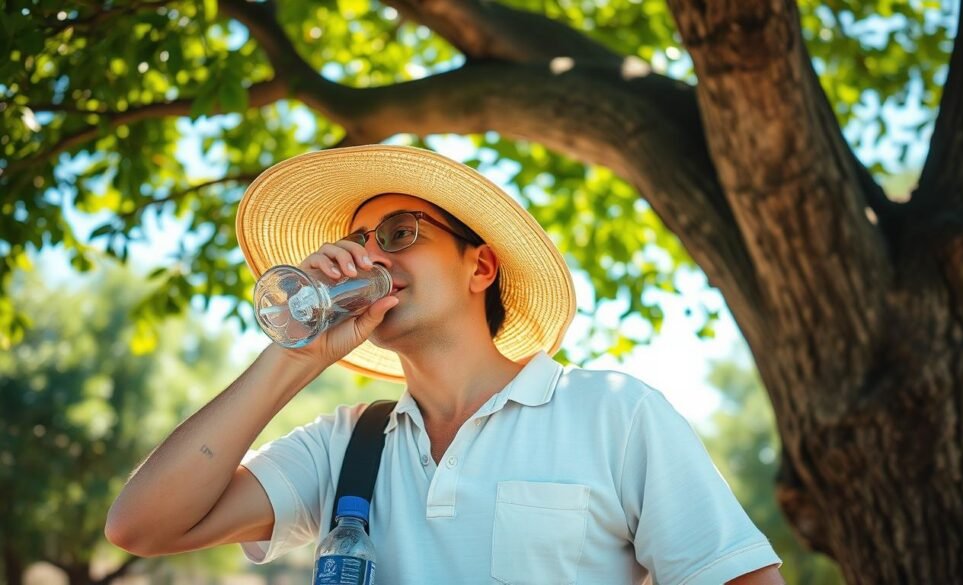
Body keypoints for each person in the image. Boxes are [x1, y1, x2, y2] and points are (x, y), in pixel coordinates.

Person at [106, 145, 784, 584]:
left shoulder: (614, 411)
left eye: (400, 234)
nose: (371, 260)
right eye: (357, 245)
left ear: (479, 265)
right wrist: (294, 353)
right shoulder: (346, 444)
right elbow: (140, 525)